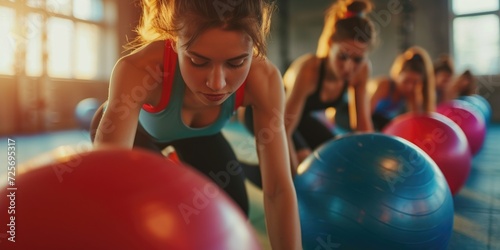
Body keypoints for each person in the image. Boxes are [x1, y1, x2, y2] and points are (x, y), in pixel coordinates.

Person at [91, 1, 301, 249]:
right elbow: (105, 191)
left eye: (236, 63)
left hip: (199, 137)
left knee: (233, 213)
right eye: (198, 61)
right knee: (153, 218)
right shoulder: (139, 69)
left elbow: (277, 189)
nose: (217, 84)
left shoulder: (263, 78)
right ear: (174, 40)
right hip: (140, 134)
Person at [283, 0, 376, 169]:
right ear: (329, 45)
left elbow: (363, 127)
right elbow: (283, 129)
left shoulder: (362, 71)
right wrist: (295, 178)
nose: (349, 67)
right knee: (304, 161)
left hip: (301, 118)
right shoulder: (309, 70)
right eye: (342, 56)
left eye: (357, 59)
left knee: (337, 156)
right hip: (270, 116)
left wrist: (371, 164)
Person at [370, 46, 436, 131]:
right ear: (397, 74)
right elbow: (364, 114)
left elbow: (416, 123)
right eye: (406, 81)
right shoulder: (385, 85)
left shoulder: (412, 94)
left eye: (415, 83)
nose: (409, 87)